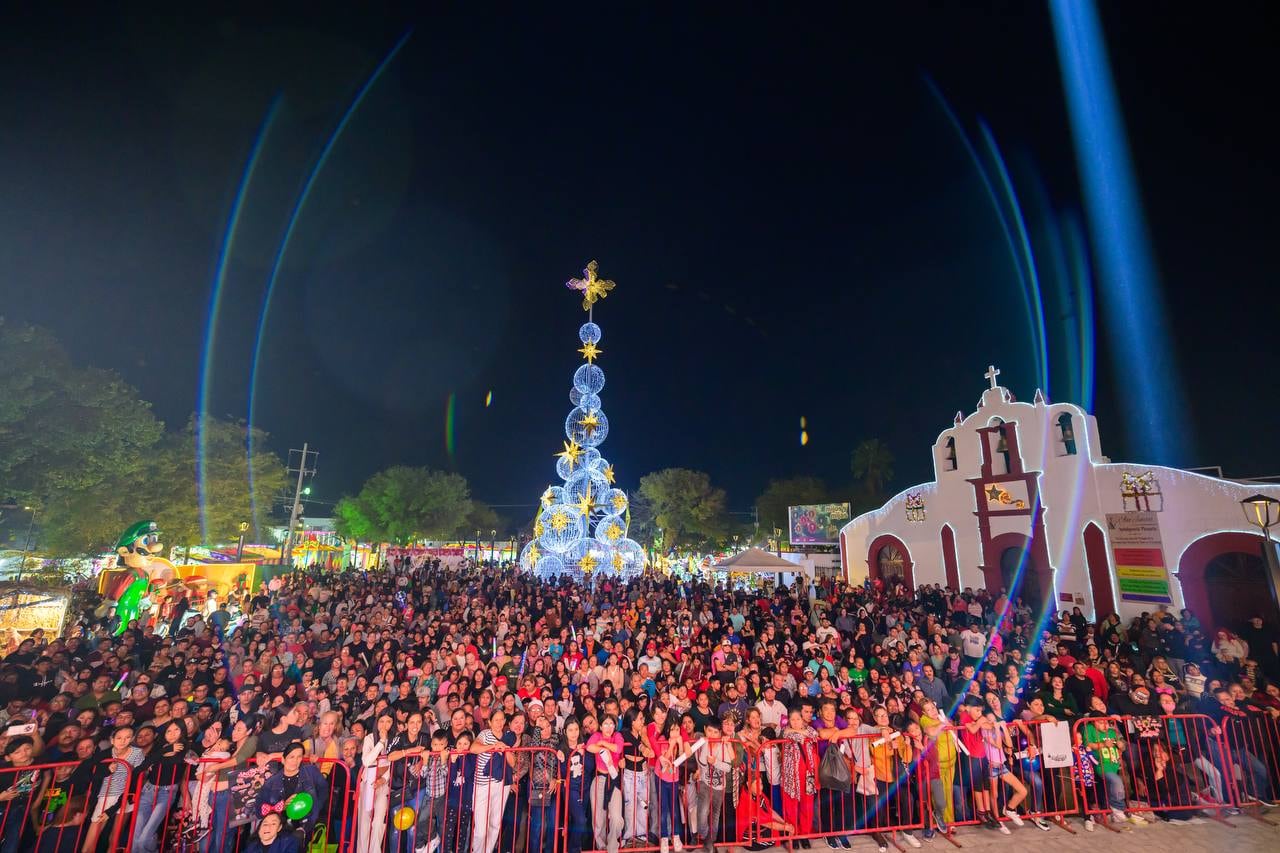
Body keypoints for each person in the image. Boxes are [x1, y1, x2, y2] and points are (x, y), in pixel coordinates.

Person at [130, 720, 188, 853]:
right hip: (148, 789)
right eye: (169, 731)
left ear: (182, 731)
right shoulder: (160, 746)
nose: (172, 734)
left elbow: (176, 761)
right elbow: (144, 765)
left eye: (176, 730)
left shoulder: (184, 746)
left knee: (145, 837)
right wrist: (166, 750)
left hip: (166, 792)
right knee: (135, 837)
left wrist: (158, 757)